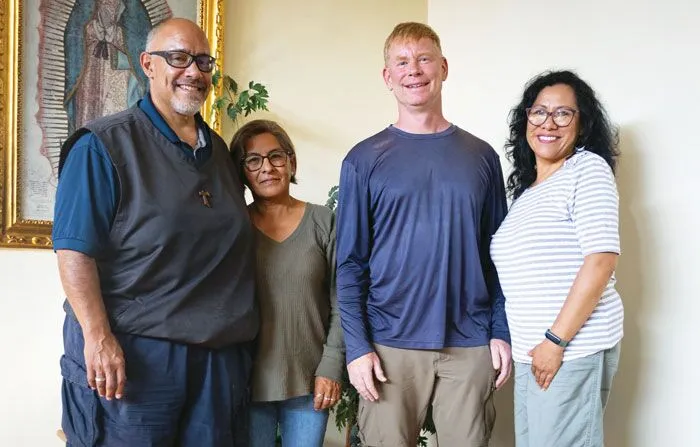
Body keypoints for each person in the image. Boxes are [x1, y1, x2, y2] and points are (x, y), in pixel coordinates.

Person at [52, 18, 257, 446]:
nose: (194, 71)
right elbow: (74, 252)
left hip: (216, 365)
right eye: (179, 58)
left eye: (203, 61)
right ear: (147, 64)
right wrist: (97, 337)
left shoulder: (219, 153)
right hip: (137, 359)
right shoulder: (103, 145)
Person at [335, 22, 512, 446]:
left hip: (468, 345)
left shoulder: (482, 157)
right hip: (388, 346)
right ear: (387, 77)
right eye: (402, 61)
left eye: (424, 58)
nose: (413, 70)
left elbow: (497, 256)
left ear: (444, 67)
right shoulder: (363, 160)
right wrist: (357, 348)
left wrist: (500, 330)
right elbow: (349, 264)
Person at [490, 70, 623, 447]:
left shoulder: (587, 169)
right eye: (539, 112)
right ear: (525, 120)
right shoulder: (527, 192)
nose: (548, 123)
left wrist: (555, 341)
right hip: (536, 353)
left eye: (563, 114)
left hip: (569, 348)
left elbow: (600, 262)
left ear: (582, 126)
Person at [229, 120, 344, 447]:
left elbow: (343, 301)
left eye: (276, 156)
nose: (267, 167)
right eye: (253, 160)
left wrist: (331, 367)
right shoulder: (234, 227)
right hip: (247, 384)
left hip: (310, 383)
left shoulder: (325, 222)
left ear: (291, 161)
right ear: (242, 172)